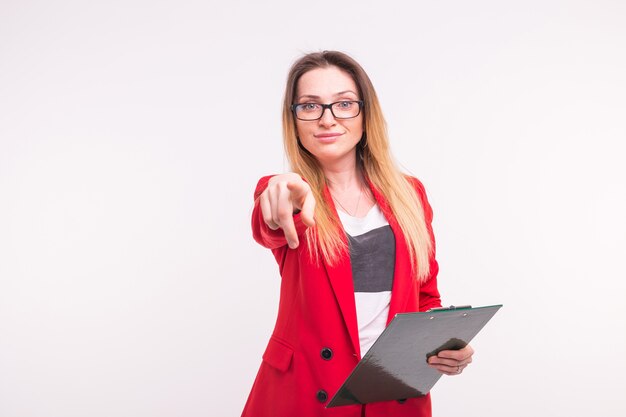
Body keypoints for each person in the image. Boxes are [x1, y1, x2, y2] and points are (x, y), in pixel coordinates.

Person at [242, 51, 474, 417]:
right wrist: (280, 191)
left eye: (344, 104)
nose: (327, 119)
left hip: (392, 392)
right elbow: (268, 225)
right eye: (310, 106)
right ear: (295, 120)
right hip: (307, 393)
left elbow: (424, 295)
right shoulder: (287, 193)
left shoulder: (409, 193)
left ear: (366, 114)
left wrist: (445, 346)